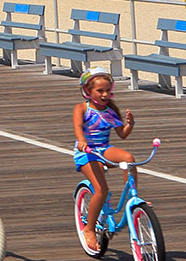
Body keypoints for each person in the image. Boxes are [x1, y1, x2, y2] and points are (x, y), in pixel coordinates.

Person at [73, 68, 137, 254]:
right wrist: (82, 141)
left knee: (129, 159)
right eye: (100, 91)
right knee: (101, 190)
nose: (105, 94)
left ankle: (133, 198)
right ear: (88, 91)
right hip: (86, 152)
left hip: (103, 149)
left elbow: (122, 135)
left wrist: (130, 124)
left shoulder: (111, 111)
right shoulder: (82, 108)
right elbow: (78, 127)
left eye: (108, 90)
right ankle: (89, 229)